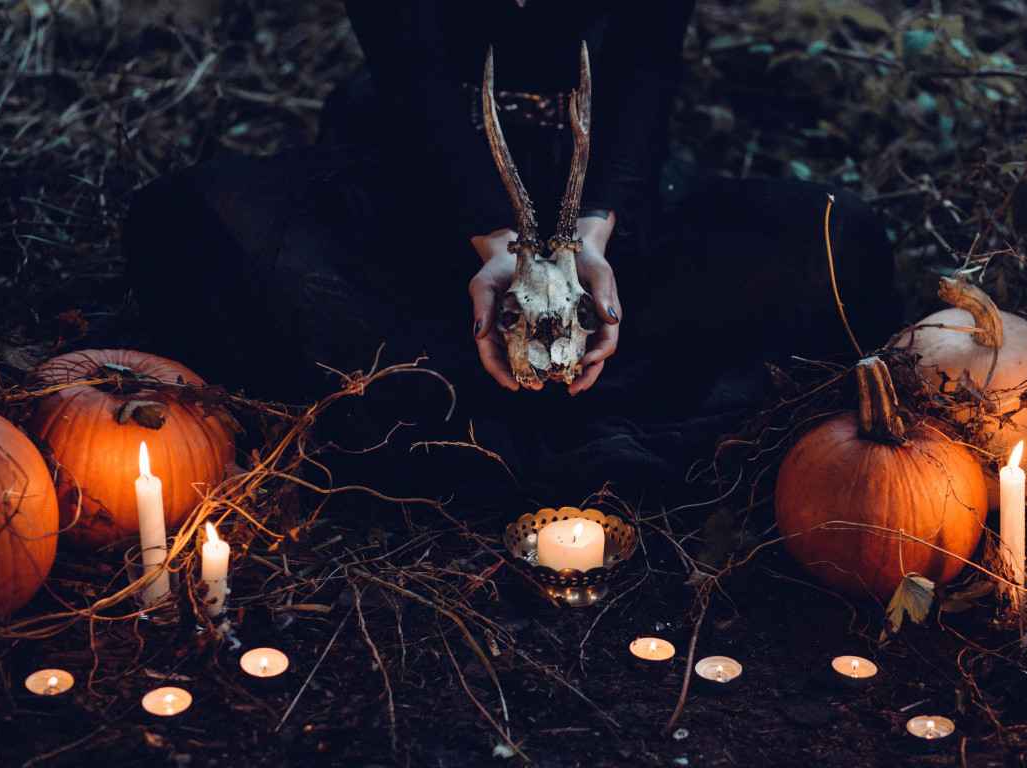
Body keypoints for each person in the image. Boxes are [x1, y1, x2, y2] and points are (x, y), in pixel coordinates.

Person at [123, 0, 899, 503]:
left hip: (604, 181)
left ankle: (479, 401)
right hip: (423, 177)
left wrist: (597, 231)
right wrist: (493, 241)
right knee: (193, 224)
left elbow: (647, 54)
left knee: (840, 245)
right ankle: (510, 407)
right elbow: (407, 66)